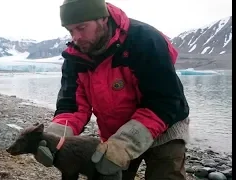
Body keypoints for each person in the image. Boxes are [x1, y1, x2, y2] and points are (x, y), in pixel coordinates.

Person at [34, 0, 190, 179]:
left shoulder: (145, 40)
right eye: (70, 31)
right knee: (107, 173)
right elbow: (72, 106)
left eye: (81, 27)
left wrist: (124, 144)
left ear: (103, 18)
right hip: (116, 130)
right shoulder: (75, 57)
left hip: (165, 124)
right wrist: (53, 139)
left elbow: (165, 101)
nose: (76, 37)